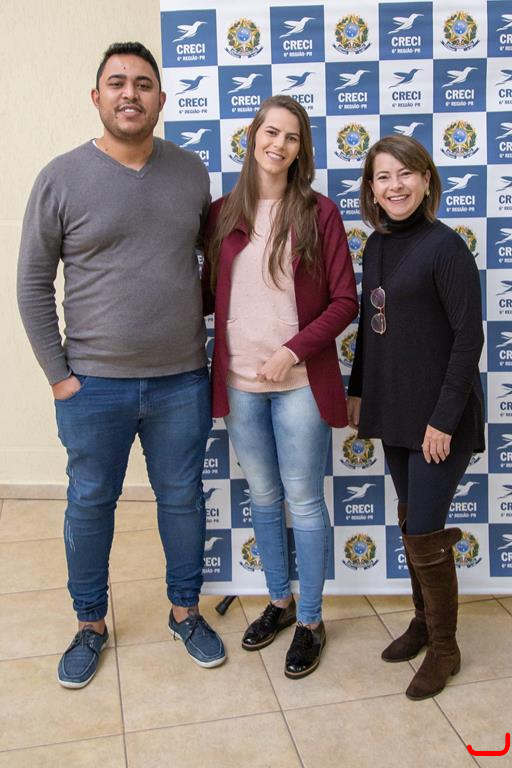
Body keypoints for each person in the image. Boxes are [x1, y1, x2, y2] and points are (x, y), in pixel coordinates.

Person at [17, 41, 225, 688]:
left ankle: (185, 612)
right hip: (93, 386)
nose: (129, 93)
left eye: (142, 83)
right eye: (117, 82)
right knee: (90, 503)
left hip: (181, 381)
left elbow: (210, 265)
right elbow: (31, 283)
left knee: (182, 500)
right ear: (97, 97)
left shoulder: (190, 172)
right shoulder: (60, 177)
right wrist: (60, 378)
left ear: (160, 99)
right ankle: (89, 624)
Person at [204, 95, 358, 679]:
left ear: (301, 150)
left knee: (304, 501)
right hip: (240, 385)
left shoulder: (319, 213)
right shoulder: (221, 214)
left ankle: (311, 620)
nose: (279, 144)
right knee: (264, 498)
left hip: (299, 384)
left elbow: (345, 301)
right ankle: (279, 600)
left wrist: (292, 350)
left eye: (292, 137)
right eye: (271, 132)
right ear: (253, 136)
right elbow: (206, 294)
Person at [347, 135, 485, 701]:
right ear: (371, 189)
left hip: (439, 416)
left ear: (427, 180)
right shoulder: (375, 245)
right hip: (394, 407)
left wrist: (443, 420)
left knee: (425, 529)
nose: (395, 185)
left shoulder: (446, 247)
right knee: (411, 521)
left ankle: (445, 648)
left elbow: (468, 339)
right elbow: (370, 324)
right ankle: (424, 622)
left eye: (406, 173)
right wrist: (358, 391)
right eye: (383, 176)